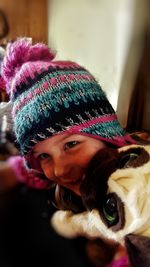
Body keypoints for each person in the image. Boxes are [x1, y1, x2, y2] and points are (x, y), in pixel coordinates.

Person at [1, 38, 136, 267]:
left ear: (106, 134)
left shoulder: (141, 186)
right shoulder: (57, 193)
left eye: (71, 144)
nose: (60, 170)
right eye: (44, 156)